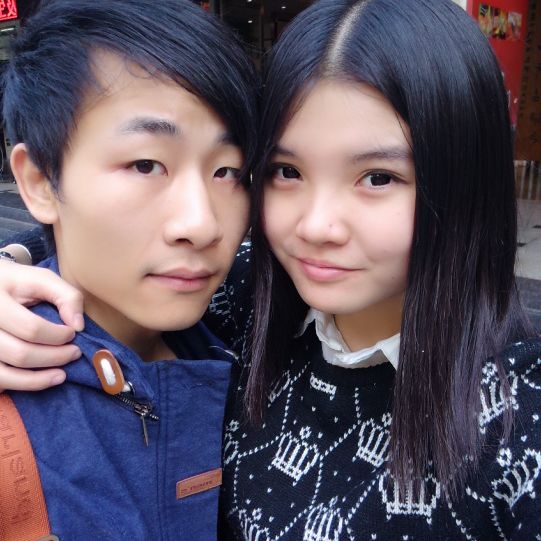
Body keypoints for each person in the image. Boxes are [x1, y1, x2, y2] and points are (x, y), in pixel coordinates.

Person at [0, 0, 540, 538]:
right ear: (39, 180)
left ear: (466, 180)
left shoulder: (521, 421)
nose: (317, 226)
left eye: (378, 177)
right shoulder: (243, 302)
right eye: (286, 171)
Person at [0, 0, 258, 538]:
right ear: (40, 181)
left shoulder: (256, 333)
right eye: (145, 164)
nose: (201, 224)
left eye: (228, 171)